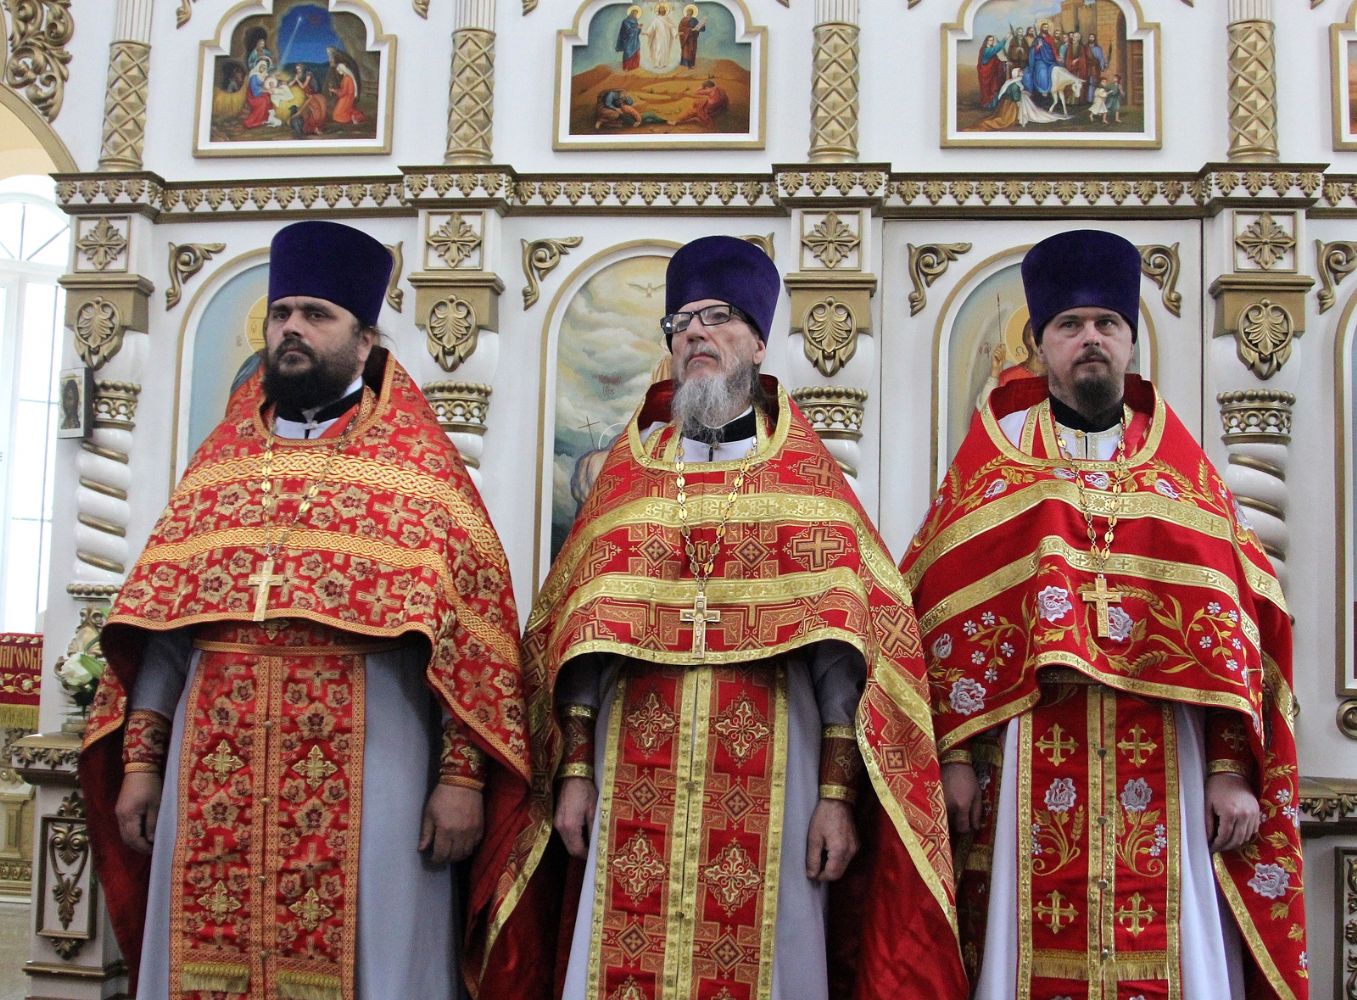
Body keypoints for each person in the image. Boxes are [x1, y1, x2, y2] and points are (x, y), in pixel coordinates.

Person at [486, 235, 964, 1000]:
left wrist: (835, 798)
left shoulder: (805, 482)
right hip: (628, 761)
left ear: (758, 342)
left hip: (780, 764)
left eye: (716, 318)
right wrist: (572, 776)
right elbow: (576, 647)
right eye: (680, 322)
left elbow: (848, 663)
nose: (694, 334)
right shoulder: (628, 478)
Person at [79, 220, 533, 1000]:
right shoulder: (219, 465)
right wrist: (142, 765)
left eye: (316, 314)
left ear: (365, 340)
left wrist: (460, 779)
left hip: (376, 761)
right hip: (212, 757)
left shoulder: (420, 468)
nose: (292, 328)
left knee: (375, 958)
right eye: (281, 312)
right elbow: (165, 630)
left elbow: (470, 640)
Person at [901, 230, 1308, 1000]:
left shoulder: (1180, 473)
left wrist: (1229, 771)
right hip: (1029, 746)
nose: (1089, 338)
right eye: (1069, 325)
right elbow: (941, 623)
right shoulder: (995, 463)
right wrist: (953, 757)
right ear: (1039, 344)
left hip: (1166, 751)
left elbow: (1239, 633)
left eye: (1105, 324)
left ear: (1128, 342)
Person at [640, 1, 679, 72]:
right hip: (658, 37)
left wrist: (675, 33)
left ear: (665, 11)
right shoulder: (656, 20)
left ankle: (664, 63)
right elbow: (651, 28)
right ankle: (657, 63)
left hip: (666, 37)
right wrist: (646, 32)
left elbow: (672, 27)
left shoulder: (668, 19)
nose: (662, 10)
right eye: (661, 9)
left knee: (665, 49)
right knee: (658, 49)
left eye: (663, 9)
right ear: (658, 11)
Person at [977, 34, 1008, 107]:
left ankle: (993, 104)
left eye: (992, 40)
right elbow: (996, 49)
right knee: (987, 89)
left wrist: (1004, 63)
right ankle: (987, 104)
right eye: (990, 40)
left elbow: (996, 61)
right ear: (986, 41)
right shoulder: (986, 50)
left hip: (992, 74)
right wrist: (1005, 39)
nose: (992, 42)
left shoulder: (990, 49)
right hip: (986, 74)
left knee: (993, 87)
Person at [678, 4, 706, 69]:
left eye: (690, 12)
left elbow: (700, 28)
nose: (689, 13)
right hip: (686, 39)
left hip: (693, 38)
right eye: (688, 11)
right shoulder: (683, 20)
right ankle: (688, 65)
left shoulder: (694, 20)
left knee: (692, 51)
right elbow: (681, 28)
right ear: (686, 12)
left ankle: (691, 65)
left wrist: (702, 25)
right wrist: (690, 29)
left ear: (692, 13)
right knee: (687, 52)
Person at [617, 5, 642, 71]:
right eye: (634, 13)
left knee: (636, 53)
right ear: (631, 13)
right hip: (628, 40)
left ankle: (635, 67)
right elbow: (628, 30)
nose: (635, 15)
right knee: (628, 53)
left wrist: (639, 28)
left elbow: (637, 32)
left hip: (635, 41)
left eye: (636, 14)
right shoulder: (625, 21)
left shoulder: (635, 21)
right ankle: (627, 67)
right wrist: (637, 27)